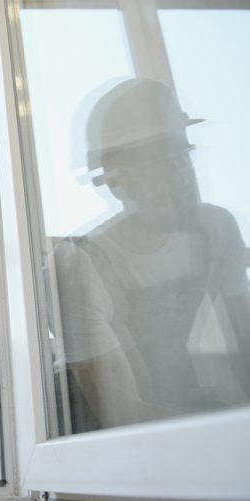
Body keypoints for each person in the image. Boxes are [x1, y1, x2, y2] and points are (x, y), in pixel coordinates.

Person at [50, 78, 250, 433]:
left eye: (181, 153)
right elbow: (125, 414)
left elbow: (246, 347)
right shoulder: (78, 266)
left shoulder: (216, 229)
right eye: (156, 162)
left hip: (181, 415)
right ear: (114, 181)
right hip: (98, 439)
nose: (181, 175)